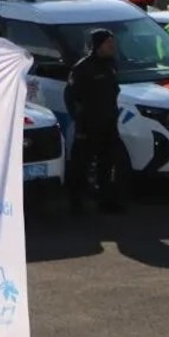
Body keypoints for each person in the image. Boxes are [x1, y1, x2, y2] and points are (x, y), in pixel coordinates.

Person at [66, 29, 124, 214]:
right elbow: (71, 98)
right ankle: (77, 204)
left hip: (108, 124)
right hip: (88, 126)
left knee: (108, 164)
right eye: (108, 43)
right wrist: (80, 125)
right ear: (98, 45)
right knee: (81, 166)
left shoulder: (111, 65)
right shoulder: (83, 68)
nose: (112, 46)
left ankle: (106, 201)